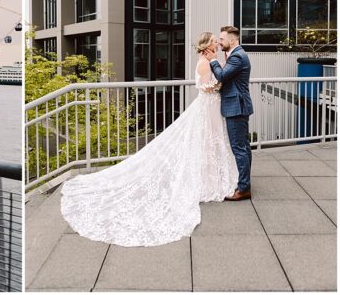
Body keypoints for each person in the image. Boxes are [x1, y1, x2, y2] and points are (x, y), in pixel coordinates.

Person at [60, 31, 239, 247]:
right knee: (205, 142)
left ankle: (212, 178)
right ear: (208, 46)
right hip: (207, 106)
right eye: (214, 42)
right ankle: (208, 179)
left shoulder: (211, 60)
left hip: (212, 107)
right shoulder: (204, 63)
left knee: (211, 143)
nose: (217, 44)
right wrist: (218, 86)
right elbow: (203, 86)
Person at [201, 25, 254, 201]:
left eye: (222, 39)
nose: (219, 42)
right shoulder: (235, 54)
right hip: (238, 106)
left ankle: (244, 188)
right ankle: (244, 183)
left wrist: (213, 61)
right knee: (244, 148)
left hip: (236, 107)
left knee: (239, 148)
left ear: (232, 40)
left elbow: (222, 76)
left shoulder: (238, 56)